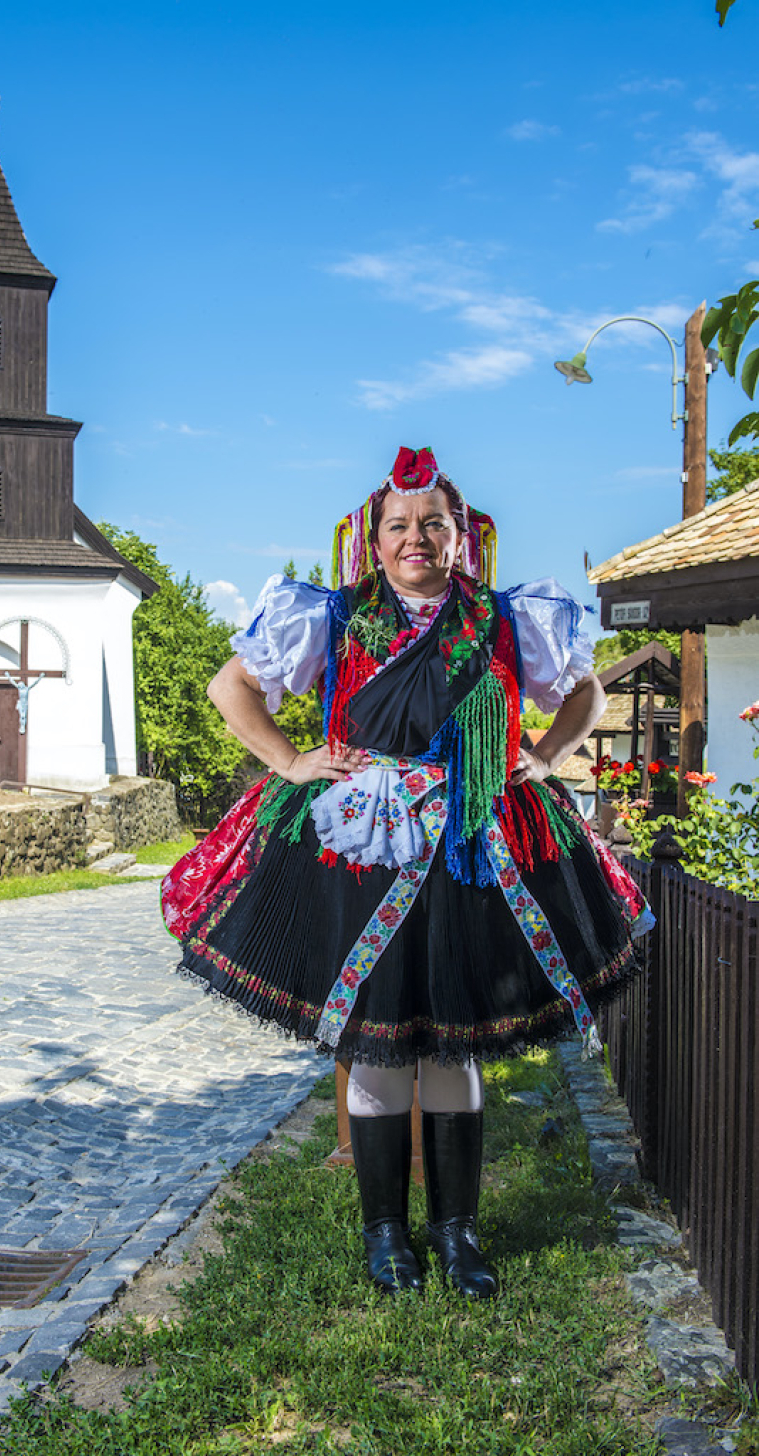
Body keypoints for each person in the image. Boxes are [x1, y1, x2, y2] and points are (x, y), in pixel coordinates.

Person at [162, 446, 651, 1301]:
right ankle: (385, 1235)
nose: (416, 538)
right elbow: (230, 687)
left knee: (454, 1044)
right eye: (398, 525)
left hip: (470, 854)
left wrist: (546, 755)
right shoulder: (332, 618)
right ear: (373, 540)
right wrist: (290, 761)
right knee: (380, 1045)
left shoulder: (507, 620)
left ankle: (458, 1233)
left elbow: (587, 695)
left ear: (463, 536)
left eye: (433, 523)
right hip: (368, 851)